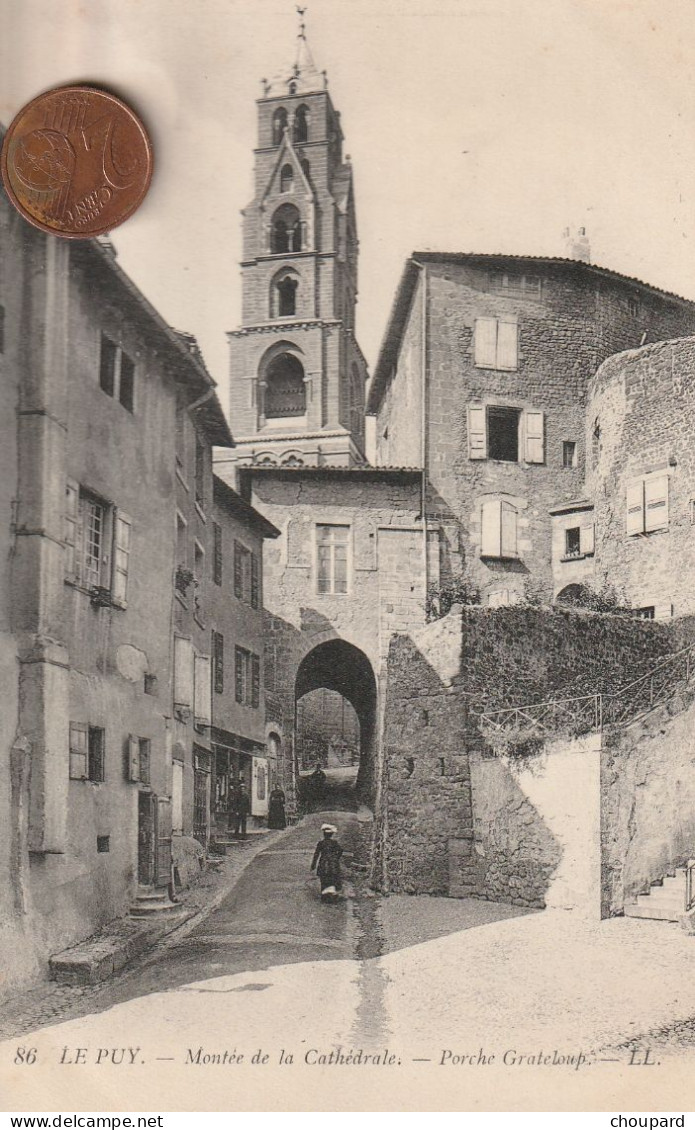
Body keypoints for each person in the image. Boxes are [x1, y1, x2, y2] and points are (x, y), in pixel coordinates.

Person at [311, 823, 343, 900]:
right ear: (331, 835)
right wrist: (336, 858)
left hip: (324, 863)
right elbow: (340, 851)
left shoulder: (321, 843)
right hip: (332, 863)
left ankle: (324, 896)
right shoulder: (334, 843)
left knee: (324, 878)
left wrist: (313, 864)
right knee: (333, 878)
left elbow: (316, 854)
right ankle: (333, 895)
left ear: (324, 835)